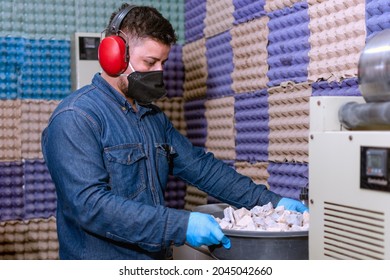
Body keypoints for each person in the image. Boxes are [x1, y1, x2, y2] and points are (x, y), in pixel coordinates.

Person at [41, 3, 308, 260]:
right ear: (114, 56)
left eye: (163, 63)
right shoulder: (75, 117)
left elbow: (202, 169)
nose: (159, 72)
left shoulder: (153, 117)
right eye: (150, 62)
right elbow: (90, 206)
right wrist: (180, 225)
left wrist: (272, 202)